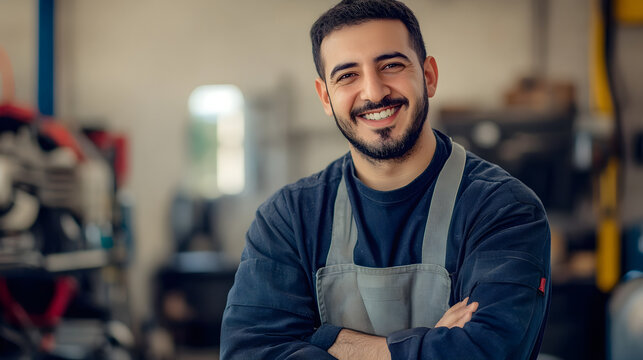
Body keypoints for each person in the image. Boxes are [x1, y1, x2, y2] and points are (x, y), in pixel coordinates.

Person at [220, 0, 551, 359]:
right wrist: (430, 345)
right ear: (325, 97)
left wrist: (333, 341)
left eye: (391, 65)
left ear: (428, 76)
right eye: (347, 75)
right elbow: (248, 352)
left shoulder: (504, 209)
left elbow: (489, 352)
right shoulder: (289, 218)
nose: (374, 92)